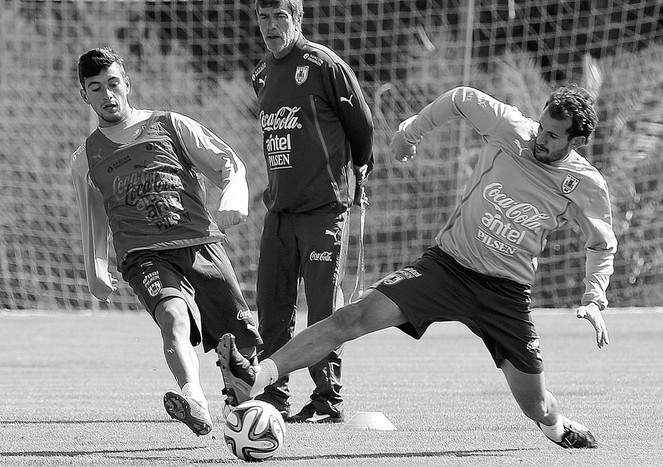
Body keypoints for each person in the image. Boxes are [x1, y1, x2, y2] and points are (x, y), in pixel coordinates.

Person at [218, 84, 617, 448]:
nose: (539, 138)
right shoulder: (511, 128)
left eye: (552, 135)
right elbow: (460, 97)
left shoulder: (586, 185)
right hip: (446, 268)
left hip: (506, 294)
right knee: (351, 319)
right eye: (541, 125)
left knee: (535, 406)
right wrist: (411, 131)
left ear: (577, 140)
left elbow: (601, 244)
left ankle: (557, 427)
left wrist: (594, 298)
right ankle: (258, 376)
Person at [69, 47, 262, 436]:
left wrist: (234, 194)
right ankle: (195, 401)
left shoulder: (170, 125)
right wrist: (96, 269)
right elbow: (92, 220)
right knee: (171, 318)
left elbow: (228, 163)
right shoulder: (85, 158)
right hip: (144, 257)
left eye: (112, 84)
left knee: (241, 346)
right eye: (96, 88)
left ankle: (243, 404)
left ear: (127, 84)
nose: (107, 96)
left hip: (199, 243)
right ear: (84, 95)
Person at [221, 0, 374, 423]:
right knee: (272, 308)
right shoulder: (262, 73)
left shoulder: (324, 65)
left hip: (325, 210)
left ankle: (328, 402)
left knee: (323, 310)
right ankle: (274, 396)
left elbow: (361, 126)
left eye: (280, 18)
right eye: (264, 18)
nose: (271, 27)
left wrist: (358, 175)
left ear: (298, 19)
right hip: (280, 213)